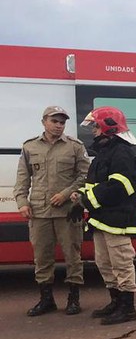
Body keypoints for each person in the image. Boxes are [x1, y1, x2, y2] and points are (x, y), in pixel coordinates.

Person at [14, 105, 90, 316]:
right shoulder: (30, 147)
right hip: (39, 212)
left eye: (62, 122)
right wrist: (22, 202)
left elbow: (85, 175)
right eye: (54, 121)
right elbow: (22, 178)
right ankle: (46, 299)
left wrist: (66, 194)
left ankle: (73, 299)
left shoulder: (74, 146)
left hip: (68, 212)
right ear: (44, 122)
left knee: (73, 256)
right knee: (42, 258)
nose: (58, 125)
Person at [70, 106, 136, 325]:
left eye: (95, 126)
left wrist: (87, 200)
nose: (93, 130)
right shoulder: (105, 153)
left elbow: (120, 186)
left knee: (121, 263)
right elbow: (95, 184)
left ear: (108, 127)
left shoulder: (122, 152)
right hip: (102, 218)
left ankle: (127, 308)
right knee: (104, 263)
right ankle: (116, 301)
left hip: (117, 220)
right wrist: (80, 196)